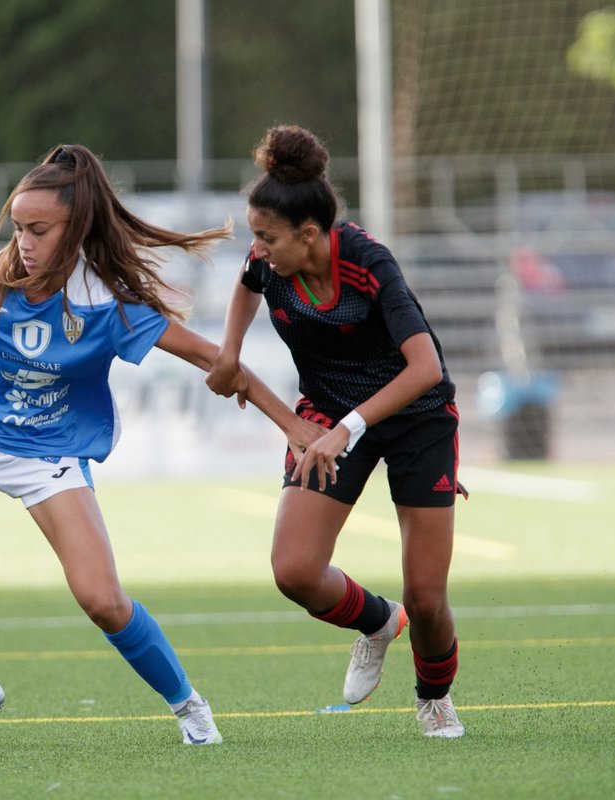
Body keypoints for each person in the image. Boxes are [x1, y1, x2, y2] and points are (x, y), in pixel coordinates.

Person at [0, 144, 319, 749]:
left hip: (51, 455)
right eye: (18, 227)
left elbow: (212, 359)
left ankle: (188, 705)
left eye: (39, 230)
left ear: (77, 229)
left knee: (102, 601)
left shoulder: (105, 304)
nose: (24, 242)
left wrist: (292, 426)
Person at [206, 125, 467, 739]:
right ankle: (378, 622)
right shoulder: (268, 258)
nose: (258, 249)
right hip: (326, 410)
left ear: (310, 234)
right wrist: (228, 352)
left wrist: (346, 429)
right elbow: (247, 286)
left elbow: (425, 366)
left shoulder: (369, 264)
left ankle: (434, 697)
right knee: (294, 571)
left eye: (267, 238)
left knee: (428, 598)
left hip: (417, 416)